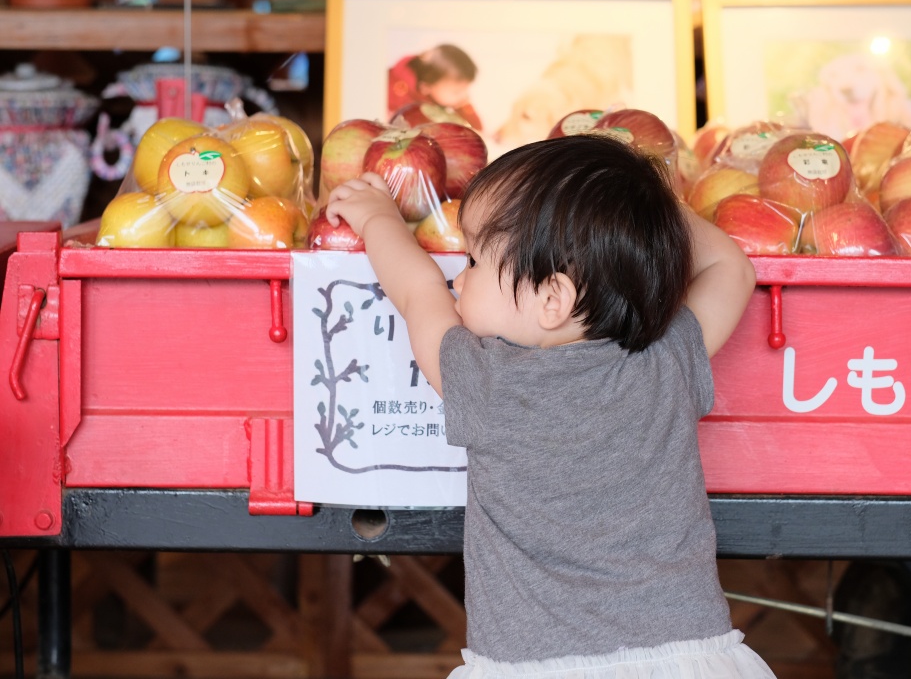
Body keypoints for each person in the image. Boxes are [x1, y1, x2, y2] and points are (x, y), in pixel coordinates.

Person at [325, 133, 772, 679]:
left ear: (553, 299)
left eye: (473, 260)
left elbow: (418, 291)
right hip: (683, 658)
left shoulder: (483, 380)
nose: (458, 278)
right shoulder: (665, 359)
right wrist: (645, 204)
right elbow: (732, 268)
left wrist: (377, 220)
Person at [388, 44, 483, 130]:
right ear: (426, 87)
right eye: (457, 92)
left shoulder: (453, 99)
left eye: (465, 89)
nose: (465, 96)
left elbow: (475, 129)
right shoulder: (397, 93)